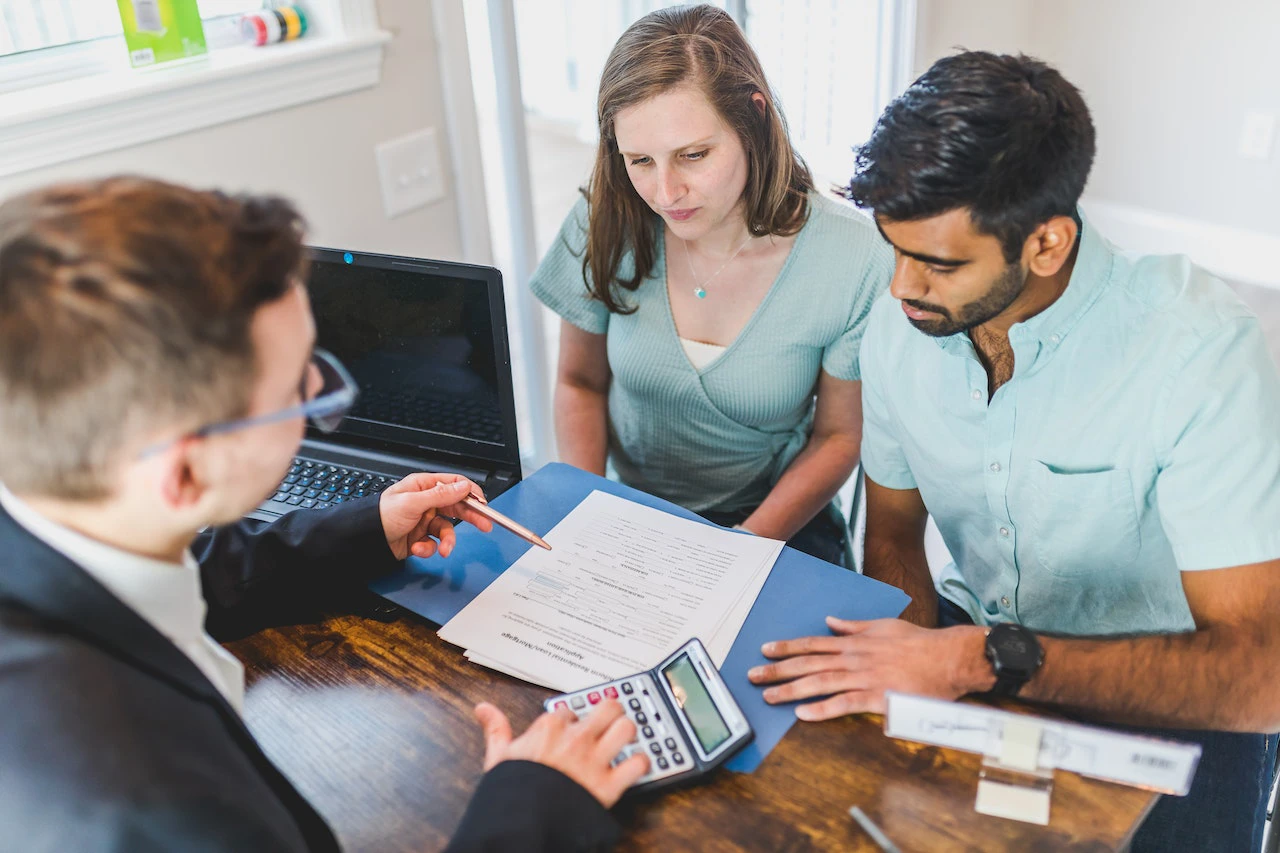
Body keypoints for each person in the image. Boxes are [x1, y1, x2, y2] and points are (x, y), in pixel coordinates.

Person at [0, 177, 648, 852]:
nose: (322, 394)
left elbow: (209, 567)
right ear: (185, 473)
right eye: (300, 393)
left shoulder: (64, 520)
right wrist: (530, 808)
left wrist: (371, 525)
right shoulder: (158, 808)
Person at [747, 52, 1280, 852]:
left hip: (1179, 688)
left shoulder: (1198, 352)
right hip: (974, 646)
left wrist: (974, 661)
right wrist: (909, 708)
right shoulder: (903, 327)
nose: (899, 288)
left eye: (939, 263)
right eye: (895, 249)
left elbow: (1260, 678)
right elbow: (893, 532)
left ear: (1047, 244)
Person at [530, 5, 893, 565]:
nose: (666, 191)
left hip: (775, 522)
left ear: (754, 119)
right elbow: (579, 381)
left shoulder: (852, 254)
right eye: (640, 160)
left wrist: (739, 549)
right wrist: (588, 511)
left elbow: (838, 437)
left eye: (693, 155)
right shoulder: (606, 219)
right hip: (626, 513)